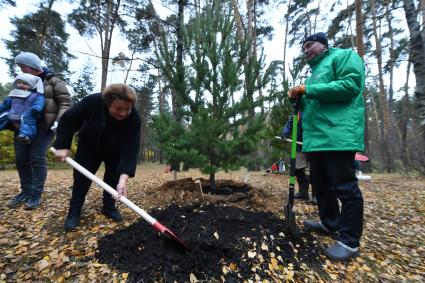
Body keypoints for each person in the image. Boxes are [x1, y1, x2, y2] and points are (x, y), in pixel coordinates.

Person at [287, 32, 366, 261]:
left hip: (338, 135)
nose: (305, 50)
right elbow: (311, 101)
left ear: (323, 44)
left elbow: (350, 86)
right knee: (321, 186)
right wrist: (297, 98)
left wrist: (308, 90)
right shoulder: (313, 75)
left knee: (345, 187)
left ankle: (350, 242)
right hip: (316, 139)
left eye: (309, 45)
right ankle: (331, 224)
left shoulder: (344, 57)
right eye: (303, 47)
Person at [53, 84, 141, 231]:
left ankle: (109, 207)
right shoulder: (92, 102)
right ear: (108, 104)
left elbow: (131, 148)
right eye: (119, 108)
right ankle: (74, 210)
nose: (124, 113)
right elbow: (68, 120)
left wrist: (123, 179)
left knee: (113, 178)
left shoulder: (134, 119)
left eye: (127, 109)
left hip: (115, 150)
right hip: (89, 145)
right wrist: (62, 145)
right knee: (82, 178)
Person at [7, 52, 71, 209]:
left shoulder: (53, 81)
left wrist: (58, 122)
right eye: (20, 67)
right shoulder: (22, 81)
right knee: (21, 158)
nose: (21, 70)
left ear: (32, 66)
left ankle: (35, 194)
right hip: (23, 126)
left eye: (23, 66)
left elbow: (65, 103)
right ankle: (26, 191)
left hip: (45, 126)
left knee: (36, 157)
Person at [280, 112, 317, 204]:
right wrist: (285, 133)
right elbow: (290, 123)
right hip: (299, 145)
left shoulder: (315, 107)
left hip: (314, 145)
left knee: (315, 171)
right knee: (297, 169)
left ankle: (315, 195)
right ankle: (303, 192)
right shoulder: (298, 111)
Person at [0, 74, 45, 144]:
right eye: (19, 83)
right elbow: (5, 104)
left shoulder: (35, 95)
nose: (21, 85)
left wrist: (36, 108)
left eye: (25, 83)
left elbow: (39, 101)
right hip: (13, 114)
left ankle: (25, 136)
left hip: (26, 114)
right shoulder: (13, 94)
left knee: (27, 120)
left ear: (31, 84)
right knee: (5, 115)